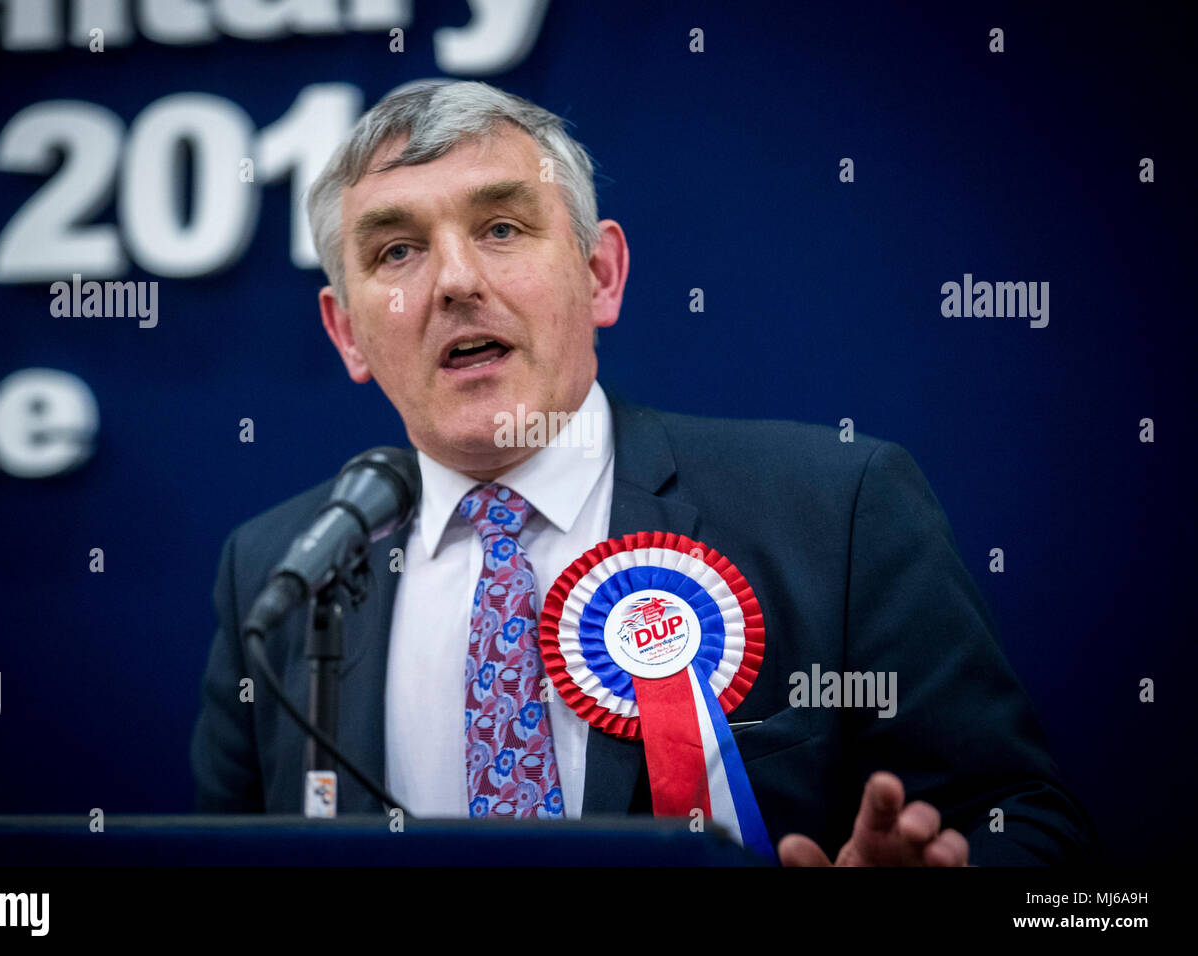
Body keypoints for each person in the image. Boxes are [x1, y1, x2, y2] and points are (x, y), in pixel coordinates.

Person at [190, 80, 1097, 865]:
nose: (455, 280)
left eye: (501, 227)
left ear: (601, 274)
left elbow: (1026, 822)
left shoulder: (838, 509)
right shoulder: (276, 572)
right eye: (396, 251)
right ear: (347, 332)